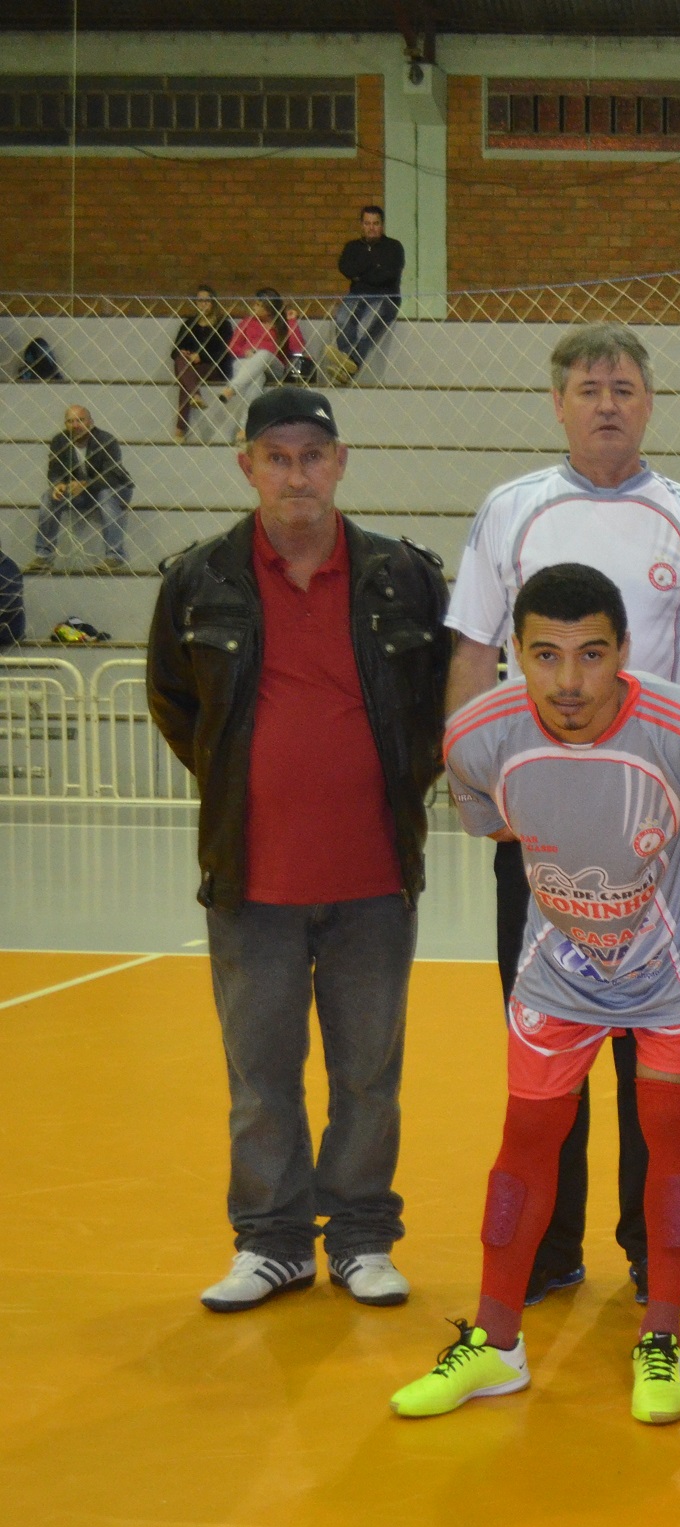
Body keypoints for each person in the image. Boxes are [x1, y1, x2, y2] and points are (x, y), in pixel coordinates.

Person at [393, 562, 680, 1425]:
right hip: (564, 962)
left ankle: (660, 1332)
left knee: (668, 1130)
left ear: (626, 652)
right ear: (513, 654)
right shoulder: (477, 739)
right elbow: (492, 820)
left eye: (592, 655)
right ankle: (496, 1342)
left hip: (676, 966)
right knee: (526, 1142)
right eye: (544, 655)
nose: (568, 681)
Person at [446, 322, 680, 1308]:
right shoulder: (513, 511)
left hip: (658, 836)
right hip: (543, 830)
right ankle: (546, 1247)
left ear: (649, 402)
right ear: (558, 402)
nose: (607, 402)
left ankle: (642, 1248)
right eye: (589, 387)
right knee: (548, 1040)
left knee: (654, 1065)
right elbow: (471, 649)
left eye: (624, 386)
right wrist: (486, 792)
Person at [145, 385, 449, 1316]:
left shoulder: (404, 576)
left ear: (341, 462)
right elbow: (173, 702)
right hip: (252, 881)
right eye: (276, 457)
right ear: (247, 467)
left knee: (368, 1073)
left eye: (312, 456)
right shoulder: (199, 579)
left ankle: (360, 1237)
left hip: (373, 878)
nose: (296, 474)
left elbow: (440, 697)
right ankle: (272, 1241)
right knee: (261, 1077)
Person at [32, 404, 134, 572]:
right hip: (79, 492)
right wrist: (58, 485)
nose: (76, 425)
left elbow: (112, 475)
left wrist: (86, 484)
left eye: (80, 420)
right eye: (70, 421)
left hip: (115, 489)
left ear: (91, 422)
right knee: (48, 497)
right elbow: (54, 470)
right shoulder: (59, 441)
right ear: (66, 424)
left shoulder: (106, 440)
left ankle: (115, 556)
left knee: (105, 494)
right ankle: (44, 556)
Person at [326, 205, 405, 386]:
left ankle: (349, 361)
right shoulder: (352, 247)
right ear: (361, 225)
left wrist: (361, 274)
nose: (371, 227)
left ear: (382, 225)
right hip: (357, 295)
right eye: (367, 223)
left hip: (386, 298)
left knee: (367, 327)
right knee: (342, 317)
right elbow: (345, 268)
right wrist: (373, 268)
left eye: (375, 223)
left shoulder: (393, 247)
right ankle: (348, 361)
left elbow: (389, 275)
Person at [220, 289, 308, 422]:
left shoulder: (282, 323)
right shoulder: (248, 322)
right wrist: (245, 352)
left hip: (273, 366)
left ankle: (232, 388)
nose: (253, 307)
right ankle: (245, 428)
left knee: (264, 354)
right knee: (257, 379)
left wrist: (292, 322)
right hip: (248, 364)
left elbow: (297, 347)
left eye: (258, 305)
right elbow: (232, 346)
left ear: (268, 309)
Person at [171, 285, 232, 444]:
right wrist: (184, 353)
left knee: (186, 381)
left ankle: (179, 430)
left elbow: (225, 352)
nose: (203, 304)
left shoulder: (223, 325)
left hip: (213, 368)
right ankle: (195, 395)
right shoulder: (189, 324)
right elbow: (175, 351)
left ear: (213, 302)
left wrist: (202, 356)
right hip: (190, 367)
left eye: (206, 300)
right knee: (180, 360)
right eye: (200, 301)